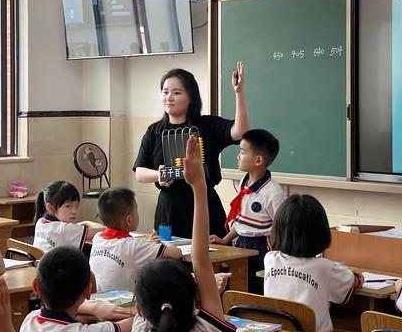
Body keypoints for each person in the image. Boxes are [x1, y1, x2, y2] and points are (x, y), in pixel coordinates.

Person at [133, 135, 237, 332]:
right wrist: (199, 185)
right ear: (197, 299)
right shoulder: (207, 327)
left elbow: (200, 258)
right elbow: (201, 257)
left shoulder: (139, 327)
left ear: (139, 311)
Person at [134, 64, 249, 238]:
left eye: (177, 93)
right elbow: (140, 172)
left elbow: (240, 131)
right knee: (170, 260)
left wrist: (239, 93)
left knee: (210, 259)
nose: (169, 98)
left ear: (191, 97)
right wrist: (160, 174)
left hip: (204, 204)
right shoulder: (154, 131)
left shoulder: (207, 125)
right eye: (165, 92)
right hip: (169, 210)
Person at [264, 194, 364, 332]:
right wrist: (356, 277)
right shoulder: (324, 267)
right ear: (320, 232)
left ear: (278, 231)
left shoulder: (270, 259)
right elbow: (350, 284)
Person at [210, 129, 285, 294]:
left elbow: (283, 228)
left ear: (258, 160)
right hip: (241, 243)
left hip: (263, 248)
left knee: (259, 290)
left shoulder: (273, 192)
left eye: (243, 152)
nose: (238, 156)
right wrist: (225, 240)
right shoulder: (244, 183)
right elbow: (243, 221)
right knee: (240, 288)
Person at [89, 187, 181, 292]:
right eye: (136, 210)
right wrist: (164, 242)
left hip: (97, 302)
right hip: (123, 305)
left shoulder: (98, 238)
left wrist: (148, 244)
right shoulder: (134, 246)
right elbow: (176, 253)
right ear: (128, 220)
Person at [20, 246, 133, 331]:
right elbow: (135, 322)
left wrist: (94, 309)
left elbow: (62, 320)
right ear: (88, 291)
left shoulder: (30, 319)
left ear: (36, 287)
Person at [33, 181, 104, 253]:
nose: (74, 211)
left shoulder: (40, 222)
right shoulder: (64, 229)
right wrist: (87, 222)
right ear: (51, 208)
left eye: (77, 206)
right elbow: (103, 230)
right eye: (68, 206)